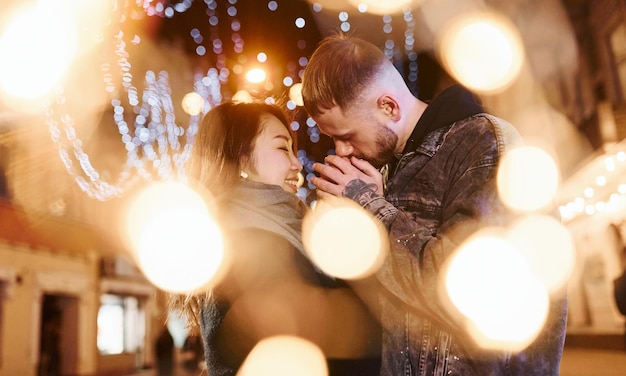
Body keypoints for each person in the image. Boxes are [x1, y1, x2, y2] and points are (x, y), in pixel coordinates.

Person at [301, 34, 568, 375]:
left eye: (347, 136)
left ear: (388, 107)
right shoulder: (385, 170)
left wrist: (369, 205)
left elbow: (471, 292)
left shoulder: (484, 143)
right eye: (333, 139)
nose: (341, 151)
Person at [171, 101, 382, 376]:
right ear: (241, 158)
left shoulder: (281, 230)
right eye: (283, 148)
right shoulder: (249, 246)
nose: (297, 164)